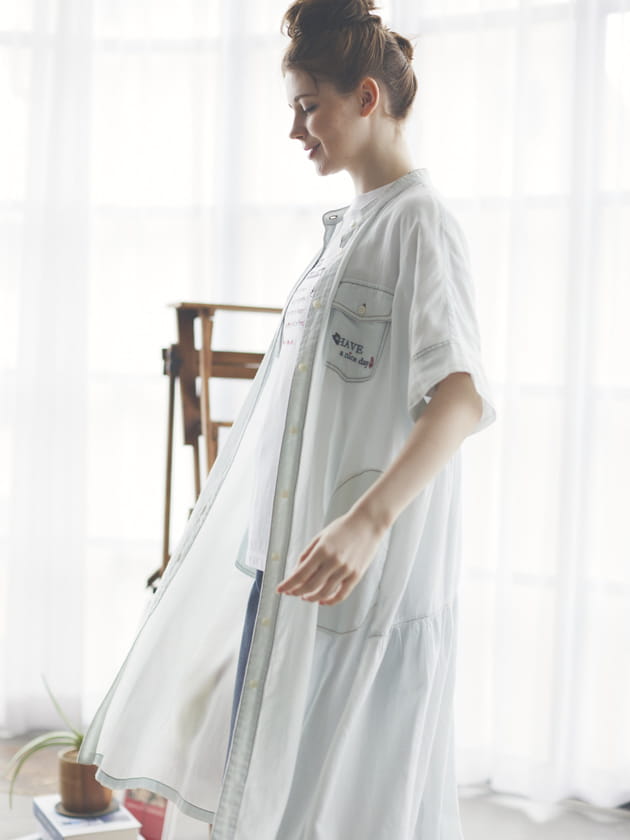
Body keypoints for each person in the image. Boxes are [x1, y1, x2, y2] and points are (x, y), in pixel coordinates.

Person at [78, 1, 497, 838]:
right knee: (276, 785)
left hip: (362, 571)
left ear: (366, 97)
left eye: (309, 106)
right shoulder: (349, 232)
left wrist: (368, 521)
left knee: (353, 792)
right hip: (296, 562)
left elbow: (459, 396)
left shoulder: (419, 224)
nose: (295, 129)